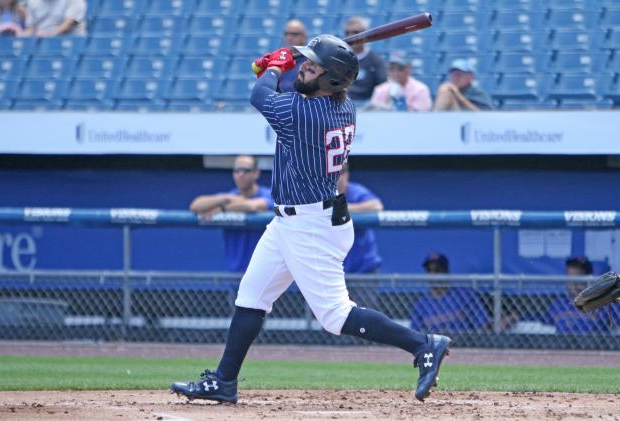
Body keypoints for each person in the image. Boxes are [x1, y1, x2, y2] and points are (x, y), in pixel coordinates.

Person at [171, 35, 451, 404]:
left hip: (310, 225)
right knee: (251, 297)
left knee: (334, 315)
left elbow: (260, 96)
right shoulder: (343, 105)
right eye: (306, 62)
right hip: (295, 220)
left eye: (313, 65)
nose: (305, 66)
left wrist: (274, 65)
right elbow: (296, 87)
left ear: (331, 80)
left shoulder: (303, 113)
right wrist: (289, 63)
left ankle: (423, 344)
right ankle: (223, 382)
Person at [189, 155, 274, 273]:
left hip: (265, 272)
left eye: (246, 170)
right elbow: (196, 205)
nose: (240, 174)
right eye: (237, 170)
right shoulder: (229, 196)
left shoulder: (269, 194)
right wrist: (225, 199)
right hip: (235, 272)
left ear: (256, 173)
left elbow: (251, 206)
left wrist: (223, 208)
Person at [410, 253, 489, 333]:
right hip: (433, 344)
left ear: (446, 272)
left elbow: (484, 325)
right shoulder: (420, 304)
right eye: (429, 270)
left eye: (437, 270)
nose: (432, 274)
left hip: (463, 343)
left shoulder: (464, 296)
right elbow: (414, 334)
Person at [544, 257, 610, 335]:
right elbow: (541, 326)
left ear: (589, 279)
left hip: (593, 346)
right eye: (570, 278)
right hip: (562, 345)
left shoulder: (603, 303)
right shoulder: (558, 304)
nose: (574, 283)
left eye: (578, 278)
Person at [337, 163, 383, 273]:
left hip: (364, 267)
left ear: (345, 175)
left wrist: (344, 207)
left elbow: (377, 206)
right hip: (336, 267)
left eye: (337, 175)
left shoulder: (355, 191)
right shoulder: (324, 194)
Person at [344, 16, 387, 102]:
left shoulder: (375, 60)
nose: (350, 36)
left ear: (365, 35)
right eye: (347, 33)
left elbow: (383, 87)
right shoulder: (340, 59)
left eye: (355, 33)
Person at [22, 0, 86, 37]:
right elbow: (30, 28)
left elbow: (68, 24)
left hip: (70, 45)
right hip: (42, 45)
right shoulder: (33, 1)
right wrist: (20, 37)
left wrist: (49, 35)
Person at [278, 19, 307, 93]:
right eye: (286, 34)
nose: (289, 38)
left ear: (303, 37)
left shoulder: (311, 61)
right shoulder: (279, 60)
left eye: (294, 34)